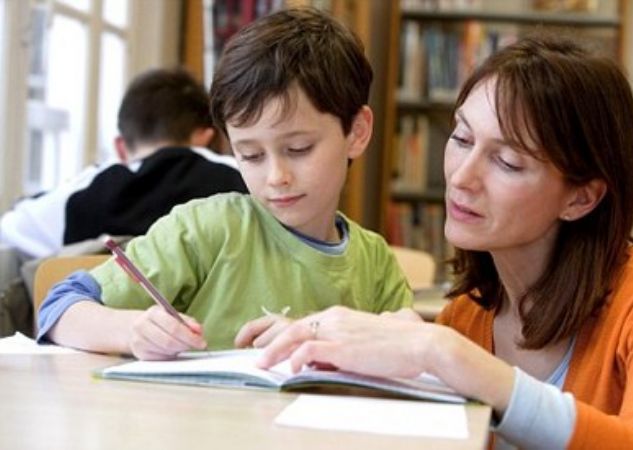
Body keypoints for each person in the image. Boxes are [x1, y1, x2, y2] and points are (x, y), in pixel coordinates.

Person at [258, 35, 633, 449]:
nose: (462, 178)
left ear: (581, 197)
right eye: (461, 137)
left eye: (507, 162)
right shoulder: (467, 315)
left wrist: (440, 353)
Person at [37, 8, 413, 360]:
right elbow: (60, 308)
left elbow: (408, 353)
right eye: (250, 156)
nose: (275, 176)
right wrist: (132, 329)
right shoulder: (208, 230)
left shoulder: (376, 264)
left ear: (357, 132)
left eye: (298, 148)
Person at [0, 68, 248, 259]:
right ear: (205, 135)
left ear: (120, 146)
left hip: (98, 318)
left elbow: (10, 230)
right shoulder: (240, 176)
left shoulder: (91, 187)